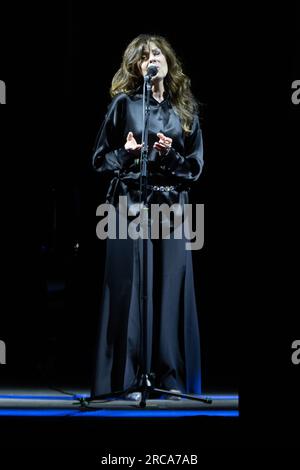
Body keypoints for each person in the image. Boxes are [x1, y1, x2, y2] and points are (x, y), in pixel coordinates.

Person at [91, 34, 204, 400]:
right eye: (143, 57)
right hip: (129, 206)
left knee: (169, 290)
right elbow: (99, 159)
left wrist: (170, 157)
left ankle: (169, 378)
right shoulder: (123, 105)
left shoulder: (184, 110)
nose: (151, 59)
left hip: (172, 208)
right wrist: (126, 155)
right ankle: (128, 378)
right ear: (136, 68)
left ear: (167, 61)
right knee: (133, 288)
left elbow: (195, 167)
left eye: (156, 54)